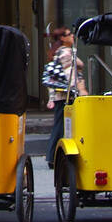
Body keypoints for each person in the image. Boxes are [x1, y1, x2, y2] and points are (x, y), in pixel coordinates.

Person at [45, 24, 87, 168]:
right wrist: (79, 91)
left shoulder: (63, 52)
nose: (72, 36)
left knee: (60, 125)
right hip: (65, 96)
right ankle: (52, 157)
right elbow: (70, 75)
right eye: (69, 34)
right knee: (60, 126)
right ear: (63, 38)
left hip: (62, 96)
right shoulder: (66, 53)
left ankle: (53, 156)